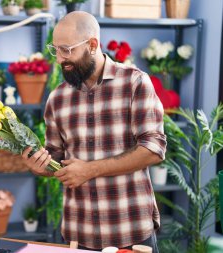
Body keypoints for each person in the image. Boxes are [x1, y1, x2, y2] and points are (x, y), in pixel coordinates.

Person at [21, 11, 166, 252]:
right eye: (55, 49)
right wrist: (40, 166)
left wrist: (90, 170)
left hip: (131, 233)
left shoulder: (135, 83)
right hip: (79, 234)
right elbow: (55, 157)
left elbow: (154, 149)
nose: (59, 59)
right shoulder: (57, 98)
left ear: (92, 45)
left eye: (67, 50)